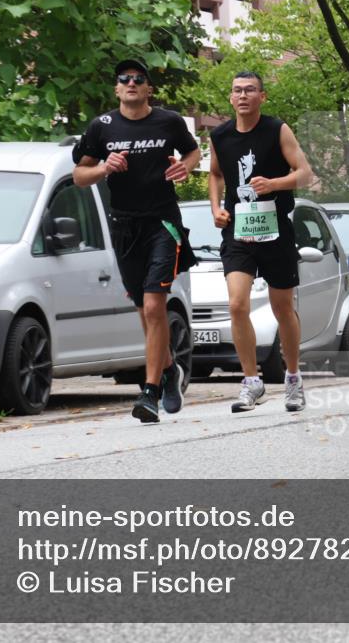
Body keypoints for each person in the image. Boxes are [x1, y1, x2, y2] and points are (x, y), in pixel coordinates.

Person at [72, 59, 201, 423]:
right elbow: (80, 175)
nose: (131, 83)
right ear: (116, 89)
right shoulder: (102, 126)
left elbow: (194, 151)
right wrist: (104, 168)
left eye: (138, 79)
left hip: (163, 222)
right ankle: (170, 369)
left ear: (148, 89)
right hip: (124, 227)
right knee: (144, 309)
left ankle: (150, 392)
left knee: (153, 304)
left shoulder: (169, 121)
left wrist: (186, 166)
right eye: (124, 79)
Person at [208, 71, 313, 413]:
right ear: (230, 97)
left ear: (262, 97)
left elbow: (305, 173)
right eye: (237, 90)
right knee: (237, 304)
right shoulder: (220, 135)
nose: (243, 95)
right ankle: (252, 382)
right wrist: (216, 208)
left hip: (275, 230)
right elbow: (215, 174)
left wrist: (276, 184)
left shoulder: (276, 129)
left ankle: (293, 377)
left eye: (250, 90)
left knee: (282, 308)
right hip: (238, 232)